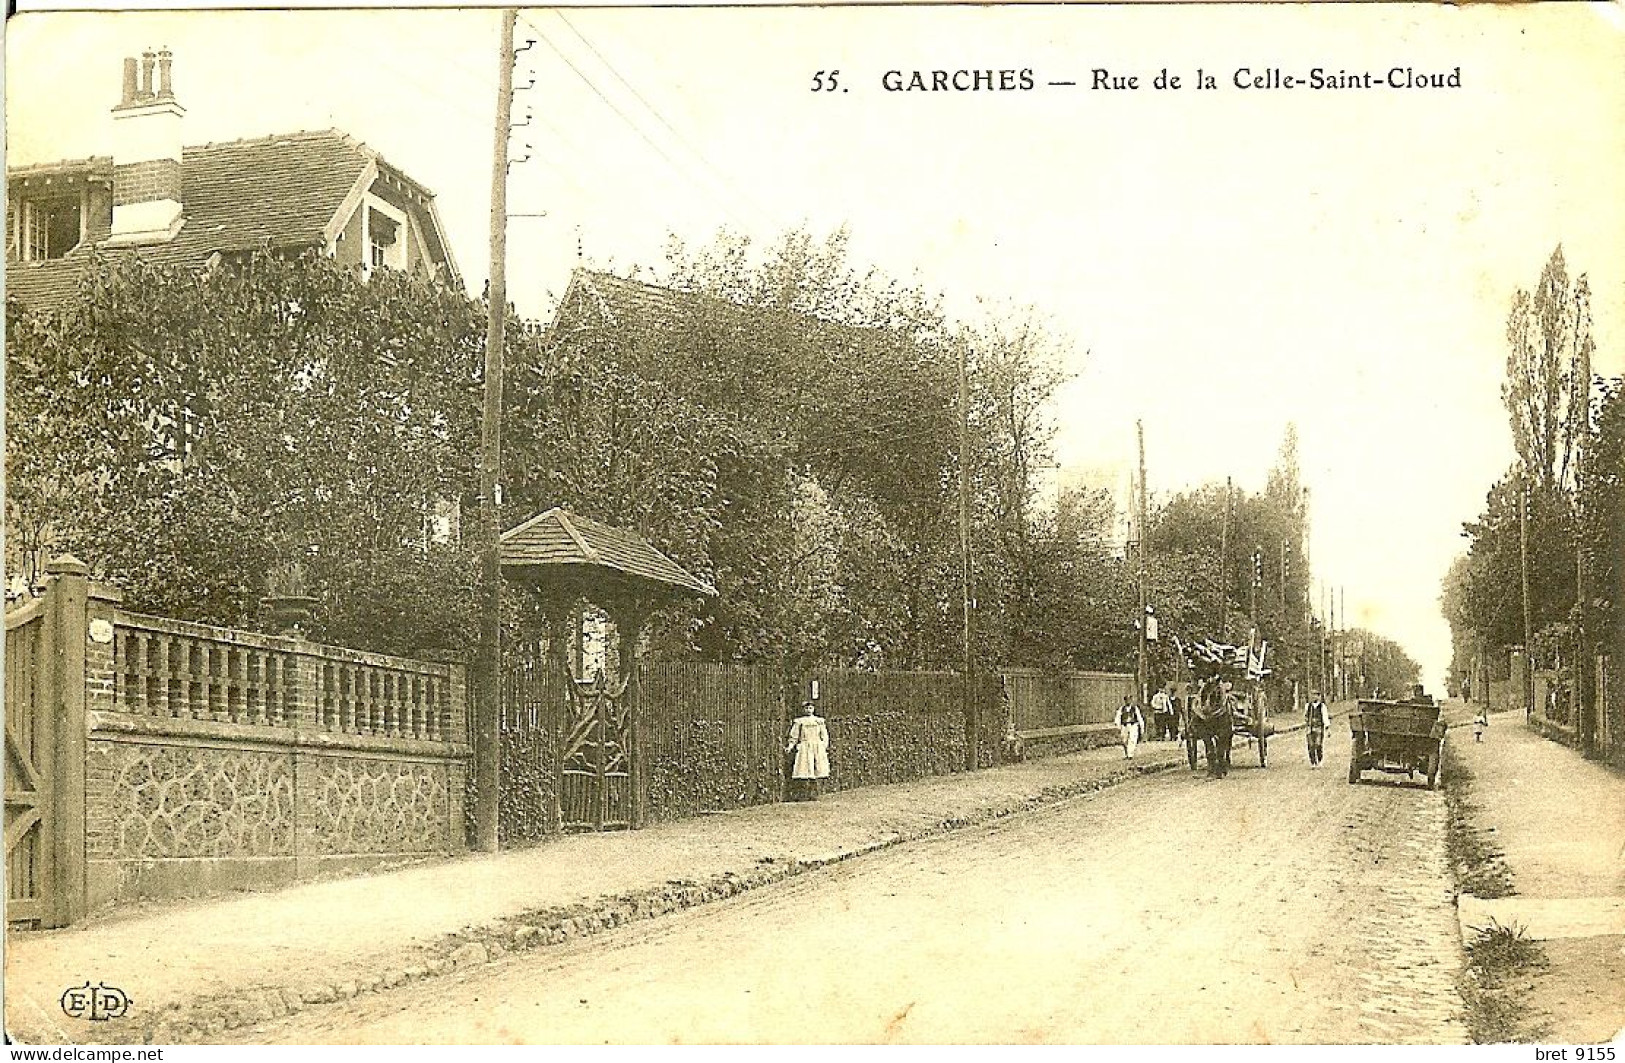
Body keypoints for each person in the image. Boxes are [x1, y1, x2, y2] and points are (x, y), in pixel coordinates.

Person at [785, 701, 830, 801]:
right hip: (805, 747)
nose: (808, 710)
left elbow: (824, 735)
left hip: (817, 747)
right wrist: (790, 746)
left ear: (813, 709)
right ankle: (805, 794)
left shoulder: (819, 721)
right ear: (803, 709)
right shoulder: (800, 722)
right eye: (806, 708)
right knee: (805, 769)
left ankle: (815, 794)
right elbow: (795, 736)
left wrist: (823, 746)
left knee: (816, 769)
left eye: (810, 708)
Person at [1304, 689, 1331, 766]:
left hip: (1319, 728)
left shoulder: (1322, 707)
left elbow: (1325, 718)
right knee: (1311, 745)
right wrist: (1307, 723)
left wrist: (1328, 728)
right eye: (1312, 695)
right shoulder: (1308, 706)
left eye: (1315, 695)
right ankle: (1313, 762)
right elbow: (1305, 716)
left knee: (1318, 744)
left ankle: (1319, 760)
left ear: (1319, 696)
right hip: (1310, 728)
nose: (1313, 697)